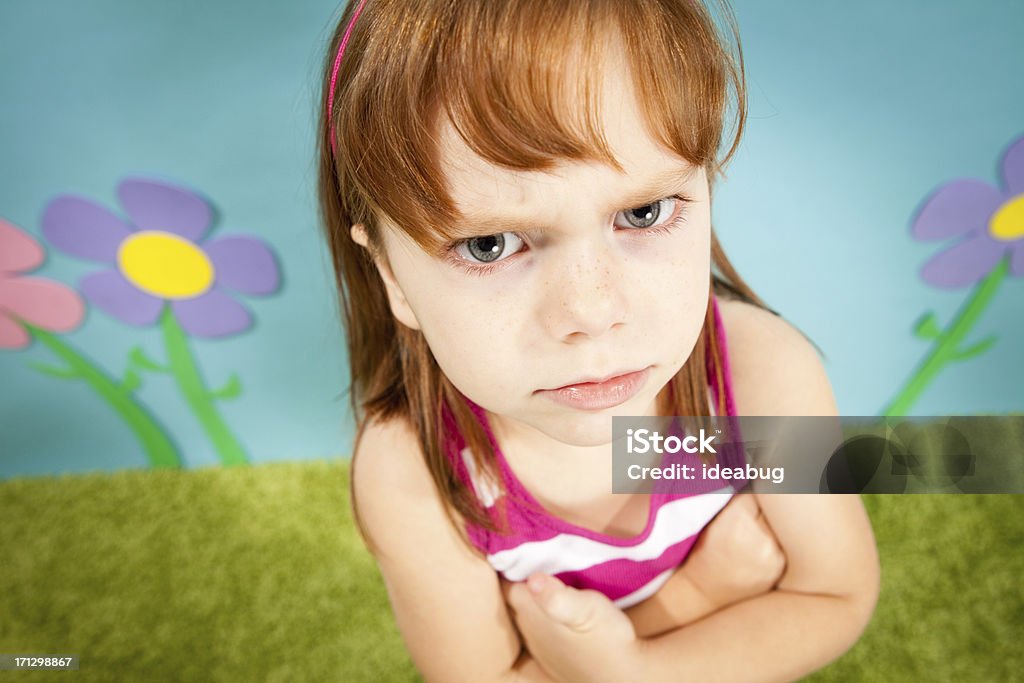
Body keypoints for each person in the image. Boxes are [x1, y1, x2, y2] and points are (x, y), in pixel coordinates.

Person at [317, 1, 880, 680]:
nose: (590, 311)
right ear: (389, 274)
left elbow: (835, 593)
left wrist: (633, 666)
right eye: (489, 245)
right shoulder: (417, 469)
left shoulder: (762, 377)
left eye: (642, 213)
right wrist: (697, 598)